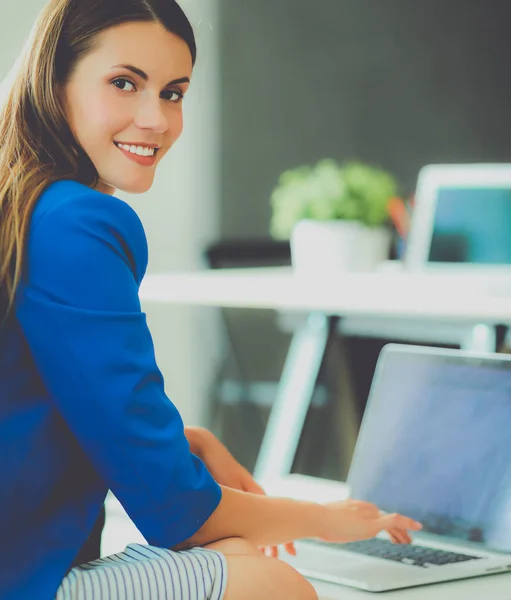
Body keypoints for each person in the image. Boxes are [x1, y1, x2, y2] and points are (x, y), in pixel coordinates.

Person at [0, 0, 422, 598]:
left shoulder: (21, 204)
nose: (157, 119)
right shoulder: (77, 220)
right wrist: (332, 520)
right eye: (125, 84)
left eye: (174, 92)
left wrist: (191, 443)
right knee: (277, 584)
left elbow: (48, 415)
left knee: (238, 552)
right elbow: (175, 510)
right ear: (55, 81)